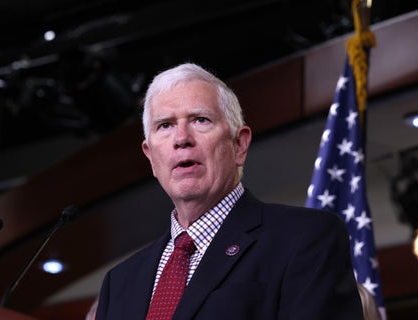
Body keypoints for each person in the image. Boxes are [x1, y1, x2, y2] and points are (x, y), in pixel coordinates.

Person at [95, 63, 363, 319]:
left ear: (239, 145)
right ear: (151, 156)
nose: (181, 139)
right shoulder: (119, 283)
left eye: (200, 120)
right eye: (165, 125)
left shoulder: (304, 239)